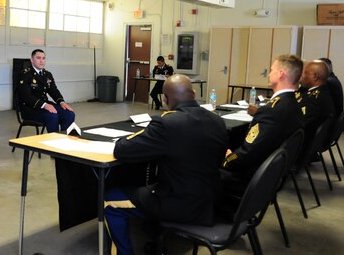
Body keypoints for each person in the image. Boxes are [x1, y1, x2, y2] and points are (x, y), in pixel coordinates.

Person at [104, 74, 228, 255]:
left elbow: (122, 149)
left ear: (165, 98)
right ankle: (155, 239)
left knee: (109, 200)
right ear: (193, 94)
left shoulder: (167, 123)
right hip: (211, 200)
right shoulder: (217, 121)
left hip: (182, 205)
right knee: (150, 186)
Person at [222, 54, 304, 193]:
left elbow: (247, 154)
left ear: (280, 74)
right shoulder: (294, 104)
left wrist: (228, 157)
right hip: (269, 176)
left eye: (272, 70)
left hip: (248, 179)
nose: (269, 74)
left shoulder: (272, 111)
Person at [18, 49, 75, 133]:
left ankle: (63, 140)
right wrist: (44, 105)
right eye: (38, 58)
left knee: (69, 114)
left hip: (45, 105)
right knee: (52, 115)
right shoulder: (25, 74)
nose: (41, 61)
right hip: (30, 109)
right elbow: (26, 96)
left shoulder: (47, 74)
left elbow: (53, 90)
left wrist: (61, 102)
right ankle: (53, 142)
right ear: (32, 60)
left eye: (43, 58)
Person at [297, 60, 335, 142]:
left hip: (302, 144)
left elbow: (297, 124)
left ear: (315, 76)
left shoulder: (313, 101)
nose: (302, 76)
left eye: (305, 73)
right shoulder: (322, 92)